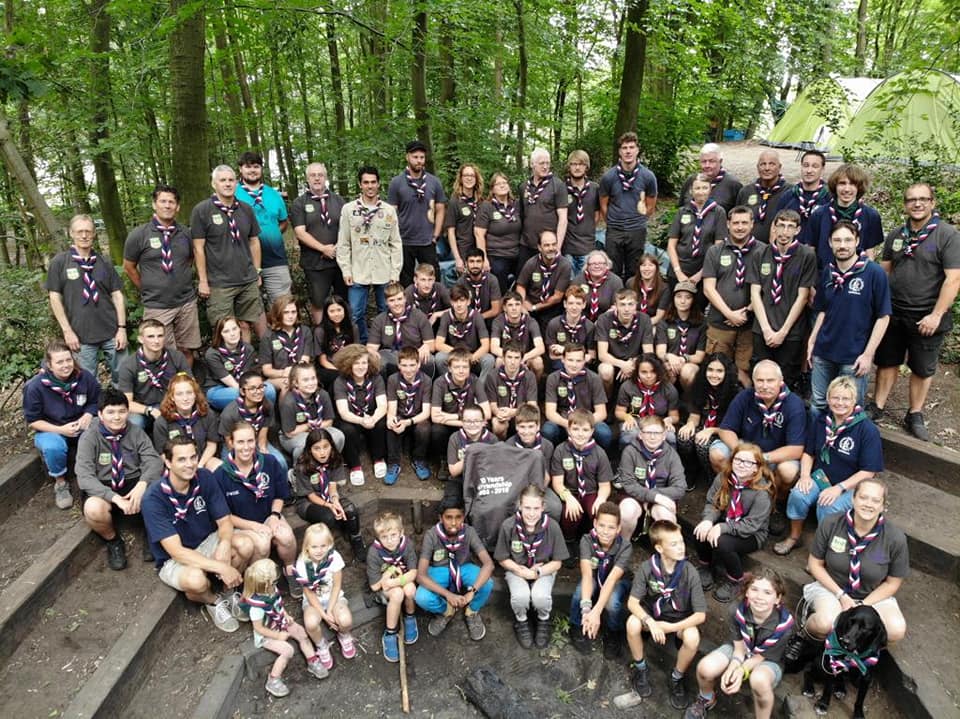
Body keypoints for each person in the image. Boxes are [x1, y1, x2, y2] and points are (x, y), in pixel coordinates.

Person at [872, 182, 960, 440]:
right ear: (905, 205)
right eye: (912, 200)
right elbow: (884, 271)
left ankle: (915, 413)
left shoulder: (947, 236)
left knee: (922, 368)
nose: (917, 204)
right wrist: (880, 307)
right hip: (894, 312)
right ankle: (877, 406)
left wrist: (936, 314)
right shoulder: (897, 235)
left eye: (923, 199)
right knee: (887, 361)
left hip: (927, 316)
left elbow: (953, 279)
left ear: (932, 203)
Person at [142, 436, 254, 633]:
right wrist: (221, 566)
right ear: (168, 462)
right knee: (196, 581)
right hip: (175, 558)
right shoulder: (153, 499)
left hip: (206, 539)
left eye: (193, 457)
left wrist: (224, 544)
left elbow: (225, 521)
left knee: (245, 545)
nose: (190, 464)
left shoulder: (204, 477)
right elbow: (176, 551)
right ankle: (213, 600)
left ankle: (228, 593)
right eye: (182, 459)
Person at [792, 478, 907, 654]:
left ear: (884, 505)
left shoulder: (895, 538)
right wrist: (842, 596)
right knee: (825, 622)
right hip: (831, 588)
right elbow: (815, 564)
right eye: (863, 497)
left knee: (896, 629)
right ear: (853, 499)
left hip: (871, 596)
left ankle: (859, 654)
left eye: (876, 500)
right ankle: (804, 636)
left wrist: (863, 605)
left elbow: (893, 583)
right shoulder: (831, 523)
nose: (868, 504)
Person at [775, 376, 882, 556]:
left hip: (850, 486)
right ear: (828, 398)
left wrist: (839, 488)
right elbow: (809, 453)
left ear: (854, 400)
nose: (840, 403)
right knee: (798, 495)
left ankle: (821, 550)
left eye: (845, 399)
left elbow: (868, 471)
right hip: (821, 477)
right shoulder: (822, 421)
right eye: (835, 398)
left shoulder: (867, 429)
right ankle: (794, 536)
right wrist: (805, 476)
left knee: (828, 506)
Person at [616, 520, 706, 710]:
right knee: (632, 623)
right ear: (659, 547)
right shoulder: (647, 568)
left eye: (681, 542)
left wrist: (671, 628)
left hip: (679, 620)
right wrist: (652, 623)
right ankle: (640, 669)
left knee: (692, 636)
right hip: (653, 616)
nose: (681, 547)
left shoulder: (690, 572)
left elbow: (700, 615)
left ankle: (676, 677)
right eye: (674, 544)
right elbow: (632, 602)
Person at [710, 360, 805, 534]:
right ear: (753, 382)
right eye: (760, 381)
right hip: (745, 453)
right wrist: (742, 452)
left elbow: (796, 448)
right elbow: (725, 430)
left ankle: (775, 505)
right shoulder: (745, 397)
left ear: (781, 381)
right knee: (717, 453)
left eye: (770, 380)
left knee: (788, 471)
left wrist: (763, 458)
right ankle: (731, 496)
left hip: (774, 458)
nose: (765, 385)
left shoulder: (794, 404)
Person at [684, 569, 794, 719]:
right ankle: (706, 698)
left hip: (767, 658)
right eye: (754, 589)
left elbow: (761, 656)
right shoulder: (737, 610)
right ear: (747, 592)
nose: (760, 597)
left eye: (768, 592)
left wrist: (742, 670)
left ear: (777, 598)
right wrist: (733, 666)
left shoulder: (784, 625)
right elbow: (739, 647)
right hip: (741, 647)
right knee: (705, 668)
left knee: (759, 680)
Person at [807, 220, 891, 411]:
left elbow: (883, 317)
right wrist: (812, 342)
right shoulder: (828, 272)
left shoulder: (873, 273)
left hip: (854, 356)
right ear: (830, 243)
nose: (842, 245)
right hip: (823, 352)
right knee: (818, 405)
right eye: (837, 240)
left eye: (847, 240)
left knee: (848, 408)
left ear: (857, 241)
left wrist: (868, 354)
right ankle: (819, 441)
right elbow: (822, 310)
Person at [77, 389, 161, 569]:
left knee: (157, 489)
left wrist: (142, 484)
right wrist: (113, 497)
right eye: (110, 412)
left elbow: (153, 461)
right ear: (100, 414)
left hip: (132, 480)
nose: (117, 417)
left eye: (122, 412)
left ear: (128, 412)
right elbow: (84, 476)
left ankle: (151, 533)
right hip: (104, 485)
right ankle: (113, 541)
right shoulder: (89, 437)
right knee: (93, 509)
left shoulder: (136, 431)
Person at [215, 421, 298, 592]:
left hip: (268, 516)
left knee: (286, 536)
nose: (246, 447)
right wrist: (254, 526)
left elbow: (279, 495)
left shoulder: (269, 462)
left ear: (255, 441)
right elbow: (224, 516)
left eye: (250, 441)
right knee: (262, 543)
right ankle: (257, 583)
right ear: (231, 443)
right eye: (240, 442)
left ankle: (290, 570)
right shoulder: (221, 475)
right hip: (240, 526)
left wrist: (275, 516)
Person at [123, 184, 201, 364]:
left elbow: (190, 259)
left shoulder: (185, 233)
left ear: (177, 206)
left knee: (186, 349)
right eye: (163, 201)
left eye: (171, 202)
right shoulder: (139, 235)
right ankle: (167, 389)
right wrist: (146, 287)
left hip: (186, 301)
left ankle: (185, 384)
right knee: (162, 351)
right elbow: (129, 267)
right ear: (154, 204)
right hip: (157, 305)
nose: (167, 205)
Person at [47, 214, 126, 381]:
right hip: (80, 336)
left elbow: (117, 295)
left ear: (94, 233)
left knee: (124, 378)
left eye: (88, 231)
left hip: (112, 332)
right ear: (71, 233)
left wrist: (122, 328)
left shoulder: (104, 262)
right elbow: (54, 298)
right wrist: (67, 331)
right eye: (80, 231)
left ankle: (125, 407)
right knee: (86, 382)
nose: (84, 236)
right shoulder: (60, 262)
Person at [23, 340, 100, 509]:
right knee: (53, 447)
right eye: (59, 362)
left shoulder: (84, 377)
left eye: (68, 360)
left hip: (80, 423)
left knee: (102, 428)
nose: (66, 365)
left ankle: (97, 474)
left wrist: (88, 414)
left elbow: (96, 400)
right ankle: (60, 482)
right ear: (49, 365)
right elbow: (33, 421)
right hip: (52, 428)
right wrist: (60, 430)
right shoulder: (35, 387)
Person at [191, 165, 265, 341]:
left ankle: (245, 363)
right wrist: (203, 281)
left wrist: (257, 271)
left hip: (247, 278)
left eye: (231, 180)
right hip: (219, 282)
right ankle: (226, 365)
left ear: (237, 183)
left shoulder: (246, 209)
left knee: (245, 324)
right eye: (222, 180)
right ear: (213, 184)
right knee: (223, 328)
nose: (227, 184)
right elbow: (198, 248)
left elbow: (254, 242)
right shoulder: (202, 211)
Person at [693, 444, 774, 602]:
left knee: (723, 542)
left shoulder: (762, 492)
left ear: (756, 468)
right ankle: (705, 565)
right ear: (732, 460)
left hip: (752, 534)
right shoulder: (723, 478)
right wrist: (708, 520)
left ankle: (736, 579)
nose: (742, 464)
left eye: (749, 462)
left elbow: (751, 525)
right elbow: (713, 503)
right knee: (701, 530)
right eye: (738, 459)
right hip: (727, 521)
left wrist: (722, 527)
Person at [748, 210, 818, 391]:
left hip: (791, 331)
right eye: (781, 225)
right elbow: (755, 293)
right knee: (761, 377)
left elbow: (803, 297)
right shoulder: (760, 253)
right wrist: (766, 329)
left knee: (785, 379)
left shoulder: (806, 255)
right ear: (774, 227)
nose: (784, 232)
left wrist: (782, 332)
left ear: (797, 230)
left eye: (790, 227)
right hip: (762, 328)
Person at [494, 485, 568, 649]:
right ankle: (521, 620)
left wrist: (538, 572)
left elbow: (557, 562)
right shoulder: (509, 526)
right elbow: (502, 558)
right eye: (527, 507)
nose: (531, 513)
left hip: (543, 569)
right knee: (520, 597)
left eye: (536, 508)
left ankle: (543, 618)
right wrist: (520, 571)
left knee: (540, 597)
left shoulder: (552, 527)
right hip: (517, 569)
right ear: (520, 506)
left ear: (543, 507)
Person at [242, 558, 328, 697]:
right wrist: (277, 636)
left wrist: (286, 615)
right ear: (266, 584)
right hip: (267, 635)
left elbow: (278, 606)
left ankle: (313, 661)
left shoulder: (271, 591)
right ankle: (273, 679)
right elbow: (259, 628)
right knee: (287, 651)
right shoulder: (256, 608)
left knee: (301, 633)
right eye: (273, 580)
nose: (276, 581)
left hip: (280, 622)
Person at [337, 165, 403, 344]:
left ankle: (385, 346)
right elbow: (343, 243)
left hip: (384, 270)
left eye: (373, 182)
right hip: (358, 270)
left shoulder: (389, 211)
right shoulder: (349, 210)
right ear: (360, 184)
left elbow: (396, 243)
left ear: (379, 184)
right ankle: (362, 344)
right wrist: (346, 270)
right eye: (366, 182)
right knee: (356, 312)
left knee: (386, 310)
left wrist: (395, 272)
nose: (370, 186)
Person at [415, 495, 495, 640]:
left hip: (464, 568)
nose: (453, 522)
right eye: (448, 517)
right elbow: (420, 575)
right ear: (440, 518)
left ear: (463, 517)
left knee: (487, 583)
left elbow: (488, 564)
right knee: (421, 597)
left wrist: (472, 591)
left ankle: (471, 611)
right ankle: (446, 610)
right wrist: (448, 595)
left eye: (458, 517)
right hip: (439, 571)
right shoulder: (432, 535)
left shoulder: (469, 532)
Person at [703, 206, 759, 387]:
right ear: (728, 224)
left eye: (744, 223)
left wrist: (746, 311)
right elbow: (708, 288)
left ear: (752, 224)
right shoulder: (715, 251)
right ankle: (714, 411)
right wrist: (729, 314)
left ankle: (746, 406)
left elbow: (766, 287)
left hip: (749, 324)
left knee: (744, 371)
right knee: (717, 370)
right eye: (736, 223)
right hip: (720, 322)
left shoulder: (762, 251)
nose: (740, 227)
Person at [569, 501, 632, 658]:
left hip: (617, 581)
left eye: (611, 527)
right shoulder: (587, 540)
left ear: (618, 529)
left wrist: (596, 611)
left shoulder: (625, 547)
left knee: (612, 603)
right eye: (602, 525)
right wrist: (586, 609)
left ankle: (613, 631)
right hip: (594, 577)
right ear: (595, 523)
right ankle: (577, 625)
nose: (605, 531)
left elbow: (611, 579)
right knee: (579, 594)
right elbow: (587, 574)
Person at [290, 522, 358, 667]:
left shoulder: (334, 558)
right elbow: (309, 593)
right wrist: (325, 615)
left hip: (334, 597)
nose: (319, 550)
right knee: (310, 622)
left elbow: (337, 585)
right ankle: (321, 645)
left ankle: (344, 635)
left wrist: (330, 608)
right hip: (313, 601)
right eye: (314, 546)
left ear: (329, 544)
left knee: (345, 620)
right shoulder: (302, 563)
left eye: (323, 546)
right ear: (307, 547)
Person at [292, 429, 365, 558]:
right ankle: (329, 548)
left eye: (326, 447)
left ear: (331, 445)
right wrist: (329, 505)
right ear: (309, 450)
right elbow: (310, 495)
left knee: (350, 509)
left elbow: (332, 486)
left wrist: (335, 501)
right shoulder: (303, 465)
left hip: (328, 495)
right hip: (308, 502)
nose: (322, 452)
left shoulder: (335, 459)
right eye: (317, 448)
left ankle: (356, 540)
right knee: (328, 517)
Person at [290, 162, 346, 322]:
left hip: (340, 261)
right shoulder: (299, 203)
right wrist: (323, 249)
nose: (317, 178)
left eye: (320, 175)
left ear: (326, 177)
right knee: (318, 302)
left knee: (343, 301)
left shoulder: (339, 201)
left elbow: (347, 228)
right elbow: (300, 232)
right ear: (307, 179)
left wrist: (336, 247)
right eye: (312, 175)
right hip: (315, 263)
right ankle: (321, 337)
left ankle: (345, 340)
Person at [800, 163, 884, 269]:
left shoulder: (871, 215)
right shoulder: (819, 214)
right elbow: (810, 251)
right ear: (835, 186)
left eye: (852, 184)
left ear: (859, 187)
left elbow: (870, 253)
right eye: (842, 183)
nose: (847, 189)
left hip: (858, 279)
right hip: (825, 278)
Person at [599, 132, 658, 280]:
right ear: (619, 151)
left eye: (631, 147)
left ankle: (632, 301)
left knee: (635, 272)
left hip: (637, 230)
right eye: (624, 147)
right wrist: (614, 222)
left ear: (637, 150)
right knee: (613, 272)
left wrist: (638, 220)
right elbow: (603, 205)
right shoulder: (609, 177)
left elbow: (651, 205)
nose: (628, 151)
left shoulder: (648, 176)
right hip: (614, 230)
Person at [617, 416, 686, 541]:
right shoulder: (630, 452)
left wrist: (655, 496)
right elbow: (628, 484)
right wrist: (655, 496)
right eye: (648, 433)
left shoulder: (672, 455)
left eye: (657, 433)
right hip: (634, 496)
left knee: (665, 516)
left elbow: (680, 488)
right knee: (627, 512)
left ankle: (665, 552)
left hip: (662, 495)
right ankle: (622, 545)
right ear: (640, 434)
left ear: (664, 435)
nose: (652, 437)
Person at [389, 140, 447, 286]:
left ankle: (433, 307)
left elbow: (440, 210)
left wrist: (436, 235)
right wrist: (393, 238)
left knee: (433, 279)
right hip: (404, 240)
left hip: (427, 240)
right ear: (407, 157)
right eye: (415, 157)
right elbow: (391, 213)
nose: (419, 161)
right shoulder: (396, 183)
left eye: (421, 157)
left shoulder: (434, 182)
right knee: (406, 281)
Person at [551, 408, 613, 544]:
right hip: (570, 491)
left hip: (591, 492)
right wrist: (568, 498)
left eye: (585, 430)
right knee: (570, 514)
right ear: (568, 430)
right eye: (576, 429)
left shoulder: (599, 453)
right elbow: (557, 483)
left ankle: (593, 542)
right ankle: (569, 541)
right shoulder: (561, 450)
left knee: (598, 512)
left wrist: (601, 498)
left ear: (592, 431)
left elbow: (605, 485)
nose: (580, 434)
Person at [677, 353, 738, 490]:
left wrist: (712, 430)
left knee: (703, 444)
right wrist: (690, 423)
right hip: (704, 426)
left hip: (723, 432)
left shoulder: (735, 392)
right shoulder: (700, 385)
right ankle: (691, 471)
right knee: (684, 437)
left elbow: (734, 426)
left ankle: (711, 479)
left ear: (726, 372)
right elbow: (695, 414)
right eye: (710, 370)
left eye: (719, 371)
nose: (714, 375)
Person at [235, 151, 290, 303]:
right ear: (240, 169)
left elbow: (283, 221)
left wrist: (270, 235)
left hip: (275, 259)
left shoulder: (273, 194)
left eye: (256, 166)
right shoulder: (233, 193)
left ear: (261, 169)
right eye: (248, 166)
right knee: (251, 309)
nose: (252, 170)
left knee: (282, 305)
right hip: (245, 261)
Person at [116, 319, 190, 428]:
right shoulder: (129, 365)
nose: (156, 341)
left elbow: (190, 386)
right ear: (141, 339)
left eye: (160, 336)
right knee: (134, 423)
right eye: (150, 336)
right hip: (142, 409)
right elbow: (126, 402)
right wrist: (149, 410)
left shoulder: (176, 357)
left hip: (172, 404)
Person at [367, 512, 420, 662]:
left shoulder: (407, 544)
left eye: (393, 535)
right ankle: (390, 633)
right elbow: (374, 586)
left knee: (410, 589)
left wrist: (394, 581)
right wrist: (387, 576)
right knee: (397, 594)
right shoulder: (374, 552)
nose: (389, 541)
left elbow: (413, 573)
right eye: (384, 537)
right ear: (378, 537)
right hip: (386, 589)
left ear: (401, 533)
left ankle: (410, 617)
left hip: (400, 581)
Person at [333, 344, 388, 485]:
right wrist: (361, 421)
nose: (361, 366)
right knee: (347, 429)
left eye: (364, 362)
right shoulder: (340, 381)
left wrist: (374, 418)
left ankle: (378, 458)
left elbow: (382, 405)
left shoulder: (376, 378)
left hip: (371, 414)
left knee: (381, 422)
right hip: (352, 417)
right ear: (348, 364)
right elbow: (343, 412)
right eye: (356, 363)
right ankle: (355, 466)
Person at [543, 343, 611, 449]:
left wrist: (582, 425)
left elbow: (601, 413)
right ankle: (555, 456)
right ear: (563, 359)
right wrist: (568, 424)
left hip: (586, 420)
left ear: (584, 361)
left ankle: (599, 457)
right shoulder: (553, 378)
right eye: (570, 360)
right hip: (563, 421)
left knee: (604, 433)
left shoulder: (594, 378)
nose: (574, 365)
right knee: (548, 430)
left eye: (578, 361)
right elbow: (550, 412)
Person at [217, 371, 287, 472]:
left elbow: (262, 438)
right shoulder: (230, 413)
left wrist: (263, 452)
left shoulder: (267, 406)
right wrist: (248, 456)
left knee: (280, 463)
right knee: (237, 470)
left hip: (257, 441)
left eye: (261, 387)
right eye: (253, 388)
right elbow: (229, 443)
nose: (258, 391)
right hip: (236, 446)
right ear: (242, 391)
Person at [668, 175, 726, 291]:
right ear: (691, 191)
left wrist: (700, 274)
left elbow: (719, 246)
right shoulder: (682, 211)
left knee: (698, 307)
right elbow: (671, 244)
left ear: (710, 190)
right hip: (680, 267)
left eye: (704, 188)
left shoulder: (718, 212)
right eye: (697, 188)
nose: (701, 192)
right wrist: (678, 272)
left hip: (704, 268)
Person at [153, 373, 221, 472]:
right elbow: (162, 454)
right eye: (179, 394)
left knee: (219, 467)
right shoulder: (162, 421)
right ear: (172, 397)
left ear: (195, 394)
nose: (185, 398)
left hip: (202, 461)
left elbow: (212, 444)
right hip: (177, 467)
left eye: (189, 393)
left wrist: (199, 466)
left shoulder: (207, 414)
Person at [367, 280, 436, 378]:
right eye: (392, 300)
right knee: (376, 361)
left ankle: (422, 388)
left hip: (414, 354)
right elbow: (371, 347)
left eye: (399, 299)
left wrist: (426, 347)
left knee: (428, 360)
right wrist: (372, 352)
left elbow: (431, 345)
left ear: (405, 299)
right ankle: (382, 390)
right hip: (391, 355)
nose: (396, 303)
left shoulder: (418, 316)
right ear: (386, 302)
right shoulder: (380, 319)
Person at [204, 316, 275, 411]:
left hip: (245, 385)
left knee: (269, 390)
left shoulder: (248, 349)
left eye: (234, 329)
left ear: (239, 330)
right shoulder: (213, 354)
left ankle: (263, 419)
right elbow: (232, 383)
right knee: (240, 394)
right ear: (220, 334)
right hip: (219, 389)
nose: (232, 334)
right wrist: (253, 391)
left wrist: (255, 388)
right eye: (226, 331)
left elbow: (250, 376)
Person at [385, 346, 433, 484]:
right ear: (398, 365)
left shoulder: (426, 381)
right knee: (391, 425)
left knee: (424, 428)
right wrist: (391, 419)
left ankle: (419, 459)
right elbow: (392, 407)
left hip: (417, 418)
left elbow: (426, 412)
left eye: (412, 365)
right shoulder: (393, 379)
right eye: (404, 365)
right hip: (401, 415)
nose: (408, 369)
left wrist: (408, 422)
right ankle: (393, 463)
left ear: (419, 364)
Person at [277, 363, 342, 464]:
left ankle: (329, 464)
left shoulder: (322, 394)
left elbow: (329, 422)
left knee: (338, 436)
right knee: (306, 444)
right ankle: (299, 473)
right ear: (296, 383)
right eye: (305, 380)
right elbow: (290, 432)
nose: (311, 383)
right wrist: (309, 425)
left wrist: (315, 428)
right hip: (294, 436)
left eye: (313, 378)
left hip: (319, 428)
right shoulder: (289, 402)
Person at [596, 288, 655, 396]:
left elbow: (648, 353)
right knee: (605, 370)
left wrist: (632, 364)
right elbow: (602, 355)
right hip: (613, 362)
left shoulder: (645, 319)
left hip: (635, 362)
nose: (626, 309)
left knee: (648, 367)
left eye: (630, 304)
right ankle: (607, 402)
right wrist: (623, 364)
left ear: (636, 305)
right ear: (616, 305)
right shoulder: (604, 319)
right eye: (622, 305)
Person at [518, 148, 568, 273]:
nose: (545, 167)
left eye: (547, 163)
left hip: (549, 245)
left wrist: (558, 247)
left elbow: (563, 219)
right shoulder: (524, 186)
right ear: (532, 164)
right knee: (523, 278)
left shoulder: (558, 185)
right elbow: (522, 215)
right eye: (541, 163)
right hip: (526, 243)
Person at [614, 353, 679, 447]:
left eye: (653, 371)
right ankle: (628, 459)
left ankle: (667, 460)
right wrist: (627, 417)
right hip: (635, 420)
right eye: (644, 372)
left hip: (658, 421)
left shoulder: (668, 389)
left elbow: (675, 416)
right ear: (637, 372)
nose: (649, 376)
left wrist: (669, 420)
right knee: (630, 435)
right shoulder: (628, 386)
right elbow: (619, 412)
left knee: (670, 437)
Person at [475, 172, 522, 293]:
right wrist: (484, 259)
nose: (502, 186)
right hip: (497, 255)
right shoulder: (487, 206)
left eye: (504, 183)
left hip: (516, 253)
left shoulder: (516, 205)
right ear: (492, 189)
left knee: (525, 278)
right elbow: (479, 234)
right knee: (500, 283)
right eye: (498, 184)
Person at [515, 229, 573, 327]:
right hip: (530, 303)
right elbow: (521, 286)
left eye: (554, 244)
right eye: (546, 245)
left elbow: (557, 297)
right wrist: (523, 303)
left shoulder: (565, 265)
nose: (551, 248)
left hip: (552, 308)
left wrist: (535, 307)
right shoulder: (531, 263)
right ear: (539, 247)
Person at [656, 281, 706, 390]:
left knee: (687, 371)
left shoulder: (701, 323)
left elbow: (699, 357)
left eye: (688, 297)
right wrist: (670, 357)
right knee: (666, 368)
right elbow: (660, 352)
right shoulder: (664, 322)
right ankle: (667, 402)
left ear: (693, 300)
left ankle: (689, 401)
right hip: (670, 361)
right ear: (673, 299)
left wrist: (683, 359)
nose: (682, 301)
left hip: (690, 363)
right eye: (679, 297)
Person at [260, 295, 314, 396]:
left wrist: (294, 374)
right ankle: (286, 412)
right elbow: (266, 370)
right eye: (286, 312)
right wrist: (284, 373)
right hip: (276, 377)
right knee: (287, 385)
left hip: (301, 373)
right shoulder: (268, 336)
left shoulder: (305, 331)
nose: (290, 316)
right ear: (278, 314)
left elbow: (305, 360)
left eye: (293, 312)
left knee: (309, 383)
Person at [435, 284, 493, 376]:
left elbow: (485, 345)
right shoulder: (446, 316)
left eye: (462, 300)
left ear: (468, 301)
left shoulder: (476, 316)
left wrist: (472, 357)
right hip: (455, 356)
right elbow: (438, 344)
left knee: (489, 360)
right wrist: (460, 355)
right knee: (440, 357)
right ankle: (450, 384)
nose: (459, 305)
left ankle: (480, 387)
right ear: (451, 302)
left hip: (473, 356)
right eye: (455, 301)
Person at [485, 341, 538, 439]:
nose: (512, 362)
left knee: (531, 422)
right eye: (509, 357)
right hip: (502, 416)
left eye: (516, 358)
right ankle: (501, 449)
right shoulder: (492, 376)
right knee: (498, 424)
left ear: (522, 359)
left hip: (523, 415)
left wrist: (513, 412)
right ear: (503, 359)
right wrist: (498, 413)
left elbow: (532, 405)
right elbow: (492, 404)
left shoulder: (529, 376)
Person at [489, 290, 546, 379]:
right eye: (510, 305)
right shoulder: (498, 321)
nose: (514, 308)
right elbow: (494, 347)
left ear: (522, 306)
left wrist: (523, 357)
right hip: (507, 356)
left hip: (526, 356)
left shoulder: (531, 321)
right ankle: (503, 389)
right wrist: (510, 358)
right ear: (504, 308)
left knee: (538, 362)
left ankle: (535, 388)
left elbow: (541, 348)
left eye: (517, 304)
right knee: (499, 361)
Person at [735, 150, 788, 245]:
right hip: (747, 248)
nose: (767, 168)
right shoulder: (746, 191)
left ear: (779, 167)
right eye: (763, 164)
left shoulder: (789, 192)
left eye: (772, 164)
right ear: (757, 167)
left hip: (777, 250)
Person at [563, 150, 601, 274]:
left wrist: (587, 228)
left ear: (586, 167)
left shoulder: (595, 188)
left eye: (581, 164)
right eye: (574, 164)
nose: (577, 167)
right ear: (569, 167)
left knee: (585, 286)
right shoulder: (561, 189)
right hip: (568, 247)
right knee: (569, 287)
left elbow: (596, 215)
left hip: (587, 246)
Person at [443, 403, 498, 487]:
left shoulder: (492, 439)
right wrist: (470, 454)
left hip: (484, 478)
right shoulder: (455, 438)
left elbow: (495, 468)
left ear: (484, 422)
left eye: (476, 421)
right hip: (460, 478)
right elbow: (453, 472)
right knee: (451, 498)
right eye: (468, 421)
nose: (472, 424)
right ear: (462, 422)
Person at [544, 285, 596, 369]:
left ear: (584, 305)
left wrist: (564, 351)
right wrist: (574, 359)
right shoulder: (554, 324)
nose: (574, 307)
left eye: (578, 303)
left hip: (582, 365)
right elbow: (552, 356)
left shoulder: (590, 326)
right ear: (565, 304)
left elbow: (591, 356)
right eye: (571, 303)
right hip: (560, 364)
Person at [678, 143, 742, 212]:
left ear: (720, 161)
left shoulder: (733, 184)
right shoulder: (691, 180)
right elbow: (681, 208)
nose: (707, 165)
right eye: (704, 161)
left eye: (711, 161)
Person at [445, 164, 485, 275]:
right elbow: (451, 232)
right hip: (463, 250)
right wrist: (457, 258)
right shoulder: (455, 201)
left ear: (476, 179)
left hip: (480, 249)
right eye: (466, 175)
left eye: (472, 175)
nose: (469, 178)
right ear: (461, 179)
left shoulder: (481, 201)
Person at [774, 149, 830, 225]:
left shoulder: (829, 197)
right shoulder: (789, 196)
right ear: (801, 167)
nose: (809, 170)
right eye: (806, 165)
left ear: (822, 169)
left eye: (815, 166)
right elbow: (775, 224)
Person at [313, 294, 358, 389]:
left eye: (339, 310)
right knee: (337, 378)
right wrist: (339, 371)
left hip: (349, 365)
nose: (336, 314)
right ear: (326, 313)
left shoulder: (353, 328)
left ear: (344, 310)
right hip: (329, 367)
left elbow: (357, 353)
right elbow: (323, 361)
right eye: (332, 311)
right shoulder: (320, 331)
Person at [572, 249, 623, 322]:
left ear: (607, 265)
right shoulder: (578, 281)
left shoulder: (615, 281)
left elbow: (616, 306)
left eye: (601, 263)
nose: (597, 266)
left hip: (607, 321)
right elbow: (572, 304)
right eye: (593, 263)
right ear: (587, 266)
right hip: (580, 321)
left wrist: (601, 322)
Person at [457, 248, 502, 323]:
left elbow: (495, 310)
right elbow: (459, 307)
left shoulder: (492, 280)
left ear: (483, 263)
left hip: (489, 321)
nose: (475, 265)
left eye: (478, 261)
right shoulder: (461, 282)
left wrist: (477, 318)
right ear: (466, 263)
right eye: (471, 261)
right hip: (467, 321)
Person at [627, 253, 670, 325]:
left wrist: (642, 326)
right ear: (639, 268)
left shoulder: (664, 288)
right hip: (631, 322)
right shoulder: (630, 283)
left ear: (656, 268)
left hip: (652, 324)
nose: (647, 269)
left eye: (650, 265)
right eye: (643, 265)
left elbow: (659, 316)